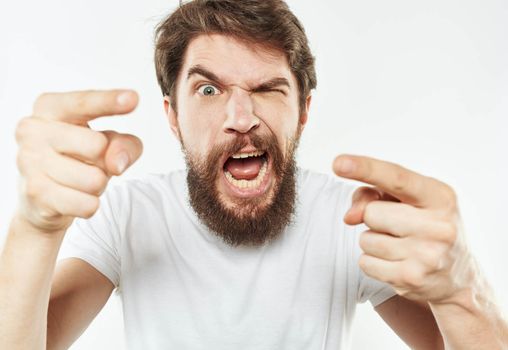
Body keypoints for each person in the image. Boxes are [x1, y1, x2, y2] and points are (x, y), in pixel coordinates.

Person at [0, 0, 507, 349]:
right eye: (208, 90)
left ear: (303, 112)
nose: (241, 118)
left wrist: (461, 292)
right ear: (172, 116)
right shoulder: (129, 214)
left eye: (267, 88)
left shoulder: (350, 218)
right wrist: (34, 228)